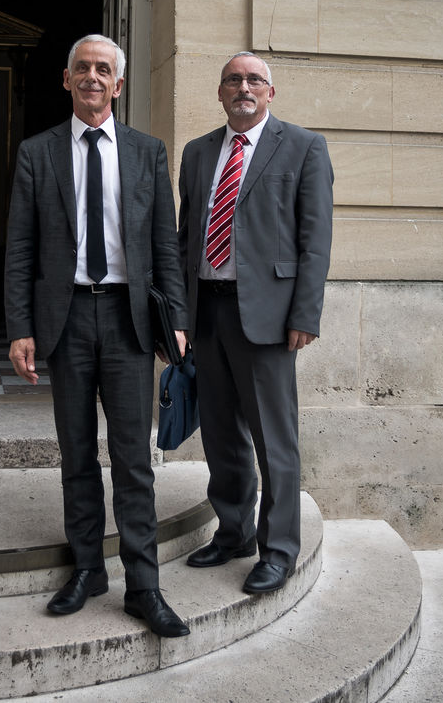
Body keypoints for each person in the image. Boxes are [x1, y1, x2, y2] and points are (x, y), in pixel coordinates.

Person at [4, 34, 190, 637]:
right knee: (77, 452)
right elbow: (20, 248)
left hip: (127, 320)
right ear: (67, 79)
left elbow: (165, 244)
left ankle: (144, 586)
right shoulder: (38, 153)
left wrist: (177, 318)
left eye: (103, 69)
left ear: (119, 83)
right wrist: (20, 328)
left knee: (134, 458)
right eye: (82, 68)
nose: (92, 77)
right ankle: (87, 568)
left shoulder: (147, 152)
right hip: (65, 322)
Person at [177, 51, 334, 594]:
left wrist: (304, 314)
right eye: (233, 80)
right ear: (220, 92)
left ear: (270, 92)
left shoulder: (304, 147)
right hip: (208, 310)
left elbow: (315, 239)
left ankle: (280, 550)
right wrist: (179, 315)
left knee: (274, 440)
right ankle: (234, 533)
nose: (243, 87)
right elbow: (185, 238)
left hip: (268, 317)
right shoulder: (198, 152)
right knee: (221, 433)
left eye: (254, 80)